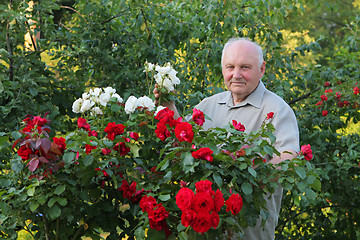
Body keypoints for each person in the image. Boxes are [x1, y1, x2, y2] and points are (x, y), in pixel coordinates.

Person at [154, 37, 299, 239]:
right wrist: (169, 106)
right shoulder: (209, 105)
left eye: (245, 67)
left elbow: (289, 157)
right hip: (205, 231)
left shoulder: (278, 110)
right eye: (230, 67)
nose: (236, 74)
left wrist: (248, 176)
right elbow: (183, 139)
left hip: (248, 233)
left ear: (262, 69)